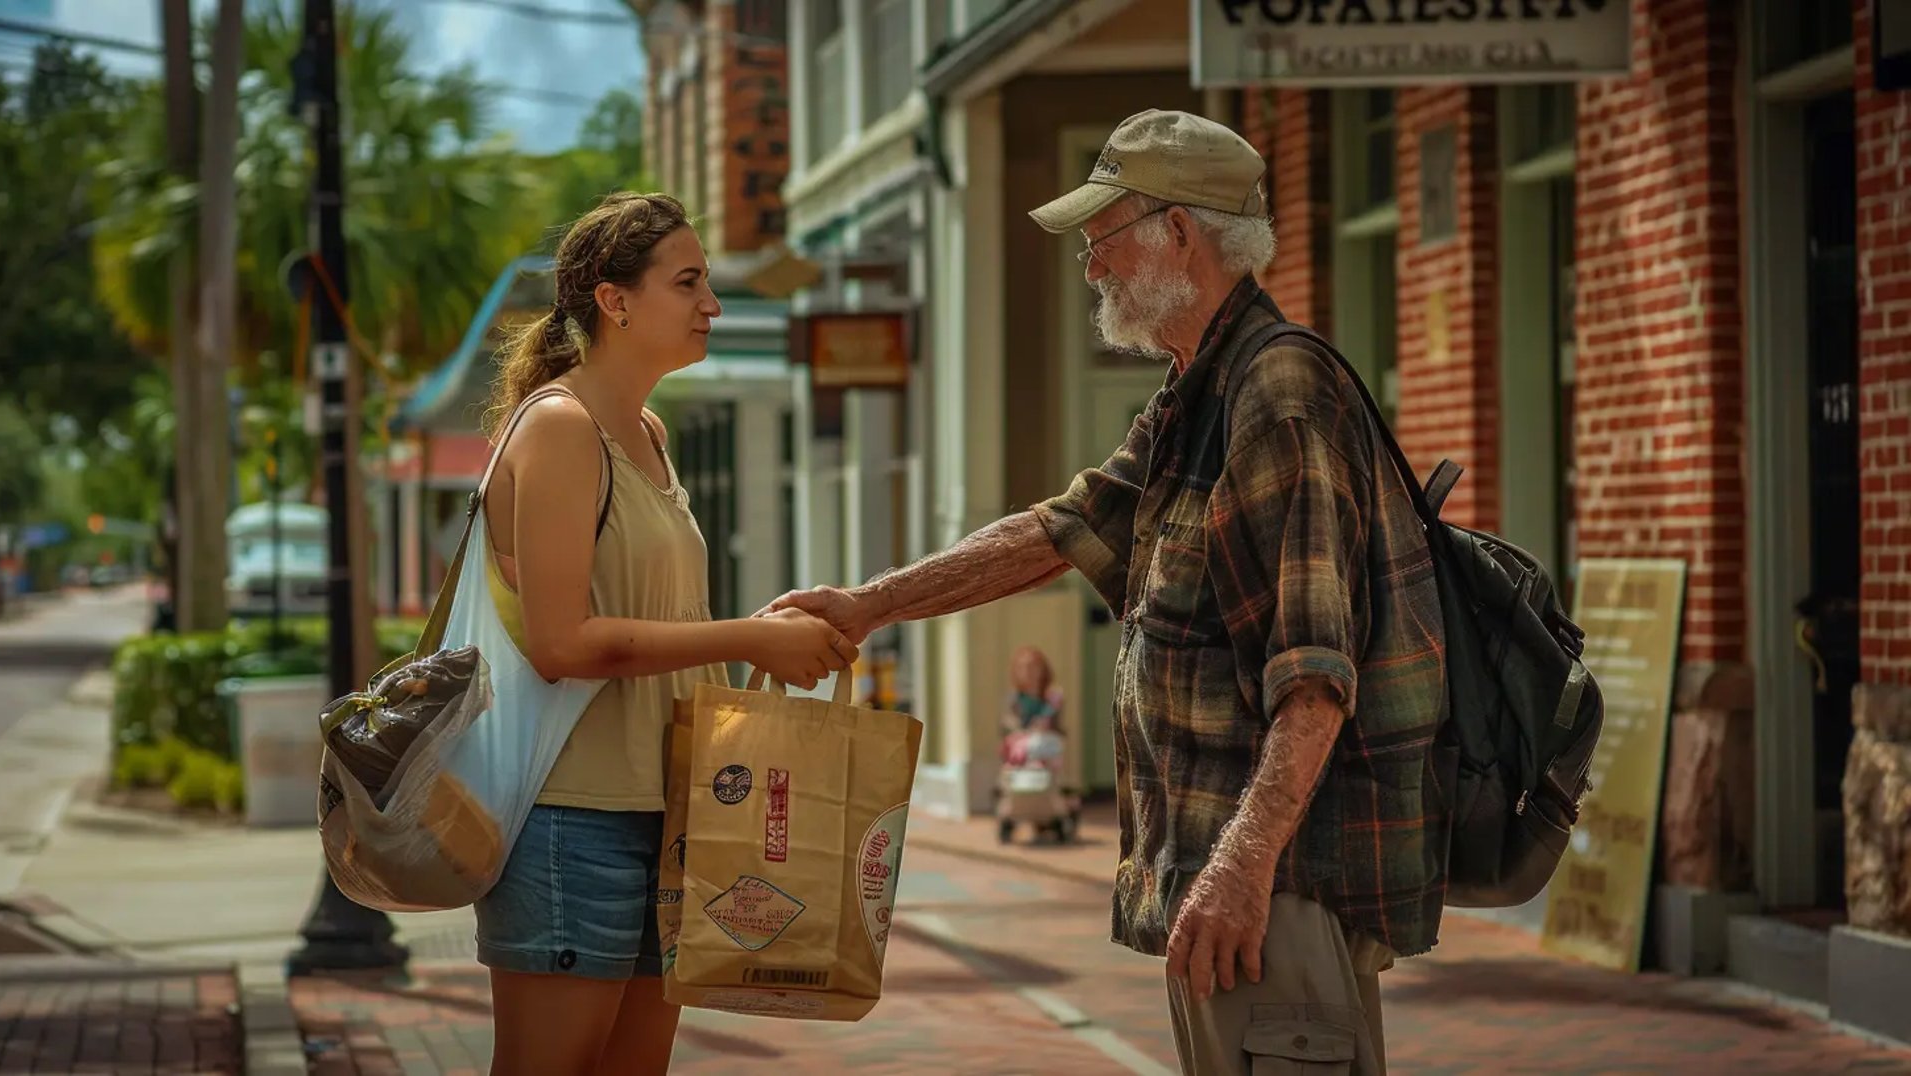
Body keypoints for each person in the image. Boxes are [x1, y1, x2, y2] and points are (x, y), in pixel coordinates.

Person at [765, 110, 1447, 1075]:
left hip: (1280, 887)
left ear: (1182, 232)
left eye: (1105, 236)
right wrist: (869, 605)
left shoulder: (1277, 393)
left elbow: (1315, 677)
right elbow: (1061, 531)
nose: (1091, 266)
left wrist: (1242, 866)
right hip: (1235, 880)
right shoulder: (1198, 388)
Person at [475, 191, 859, 1076]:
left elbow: (660, 619)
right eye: (687, 283)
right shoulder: (562, 427)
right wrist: (747, 639)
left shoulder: (645, 432)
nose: (711, 304)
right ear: (614, 300)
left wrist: (757, 636)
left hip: (674, 814)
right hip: (573, 816)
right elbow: (562, 644)